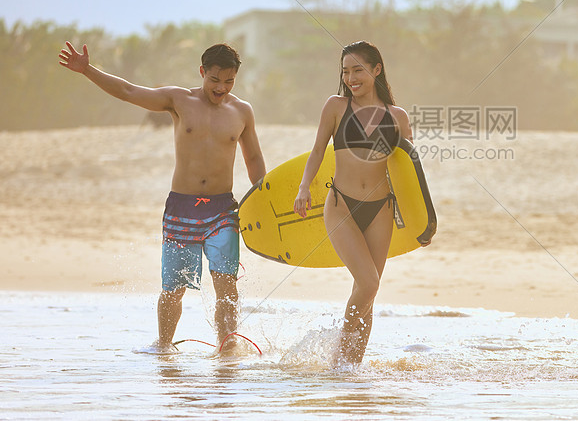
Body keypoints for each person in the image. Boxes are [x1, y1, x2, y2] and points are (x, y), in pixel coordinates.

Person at [58, 42, 266, 353]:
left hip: (223, 209)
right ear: (201, 72)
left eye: (229, 81)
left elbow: (254, 163)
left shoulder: (242, 111)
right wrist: (87, 69)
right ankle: (164, 348)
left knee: (227, 286)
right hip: (181, 208)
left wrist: (267, 201)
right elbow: (128, 92)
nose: (221, 88)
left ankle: (228, 349)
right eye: (214, 80)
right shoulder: (178, 99)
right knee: (173, 289)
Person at [294, 41, 413, 365]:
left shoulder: (398, 117)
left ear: (376, 69)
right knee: (369, 282)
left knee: (368, 293)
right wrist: (304, 187)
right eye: (345, 72)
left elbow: (408, 174)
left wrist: (420, 223)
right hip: (341, 204)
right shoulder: (336, 106)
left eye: (358, 70)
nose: (351, 78)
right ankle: (339, 360)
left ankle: (351, 368)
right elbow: (318, 150)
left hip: (380, 210)